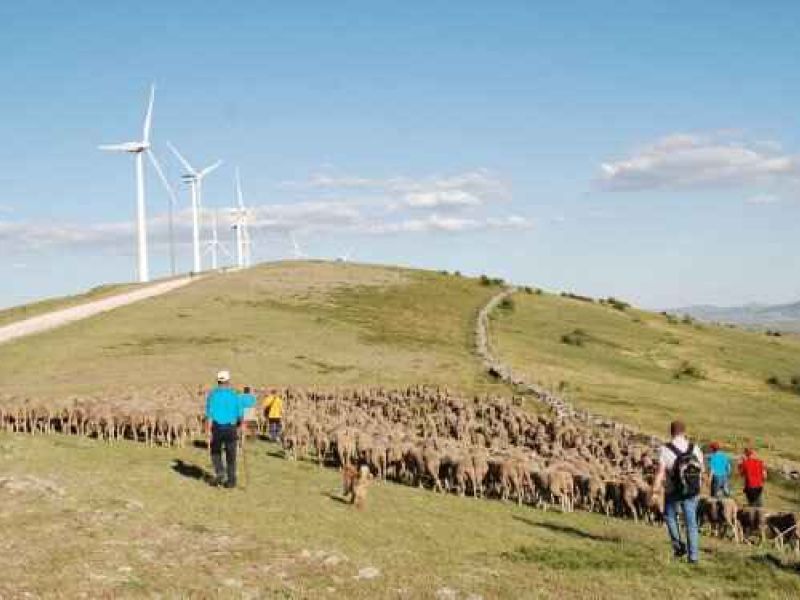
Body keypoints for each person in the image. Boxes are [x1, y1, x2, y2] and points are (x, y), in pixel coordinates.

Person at [653, 420, 704, 564]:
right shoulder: (695, 448)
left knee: (670, 517)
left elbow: (660, 472)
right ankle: (693, 557)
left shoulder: (665, 449)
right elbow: (702, 469)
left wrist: (655, 490)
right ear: (684, 432)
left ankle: (678, 547)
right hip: (692, 491)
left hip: (673, 490)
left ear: (671, 431)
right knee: (691, 523)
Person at [205, 370, 244, 488]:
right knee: (231, 455)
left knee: (215, 452)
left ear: (218, 381)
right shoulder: (234, 395)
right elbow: (240, 415)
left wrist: (207, 431)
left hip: (217, 428)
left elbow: (209, 416)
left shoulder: (212, 395)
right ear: (228, 381)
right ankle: (231, 482)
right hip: (231, 428)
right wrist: (240, 426)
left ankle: (220, 472)